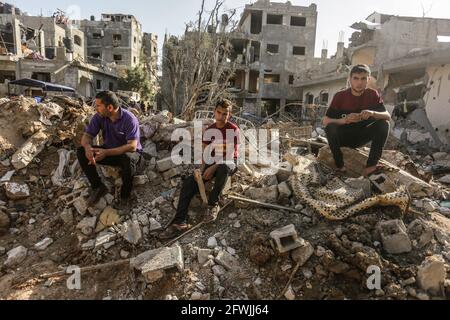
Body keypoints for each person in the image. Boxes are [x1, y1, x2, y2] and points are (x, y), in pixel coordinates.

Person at [159, 99, 240, 239]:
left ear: (229, 114)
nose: (221, 116)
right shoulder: (210, 130)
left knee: (224, 167)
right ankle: (180, 221)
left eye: (224, 114)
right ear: (214, 112)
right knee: (189, 182)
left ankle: (213, 204)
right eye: (219, 112)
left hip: (228, 161)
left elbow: (230, 154)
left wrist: (213, 168)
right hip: (211, 160)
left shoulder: (233, 129)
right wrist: (202, 170)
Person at [77, 91, 143, 213]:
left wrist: (106, 152)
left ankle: (125, 197)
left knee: (128, 160)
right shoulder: (99, 117)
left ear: (110, 107)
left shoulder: (129, 119)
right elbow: (87, 136)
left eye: (98, 106)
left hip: (129, 153)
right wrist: (87, 148)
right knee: (80, 151)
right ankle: (98, 187)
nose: (96, 108)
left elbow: (132, 146)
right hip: (109, 152)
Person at [323, 64, 391, 177]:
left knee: (384, 124)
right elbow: (325, 121)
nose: (359, 83)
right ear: (350, 79)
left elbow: (387, 116)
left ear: (368, 79)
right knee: (330, 127)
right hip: (342, 137)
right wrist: (345, 120)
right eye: (356, 78)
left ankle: (370, 166)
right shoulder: (340, 96)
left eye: (363, 78)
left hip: (361, 137)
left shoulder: (372, 94)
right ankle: (340, 166)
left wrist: (373, 113)